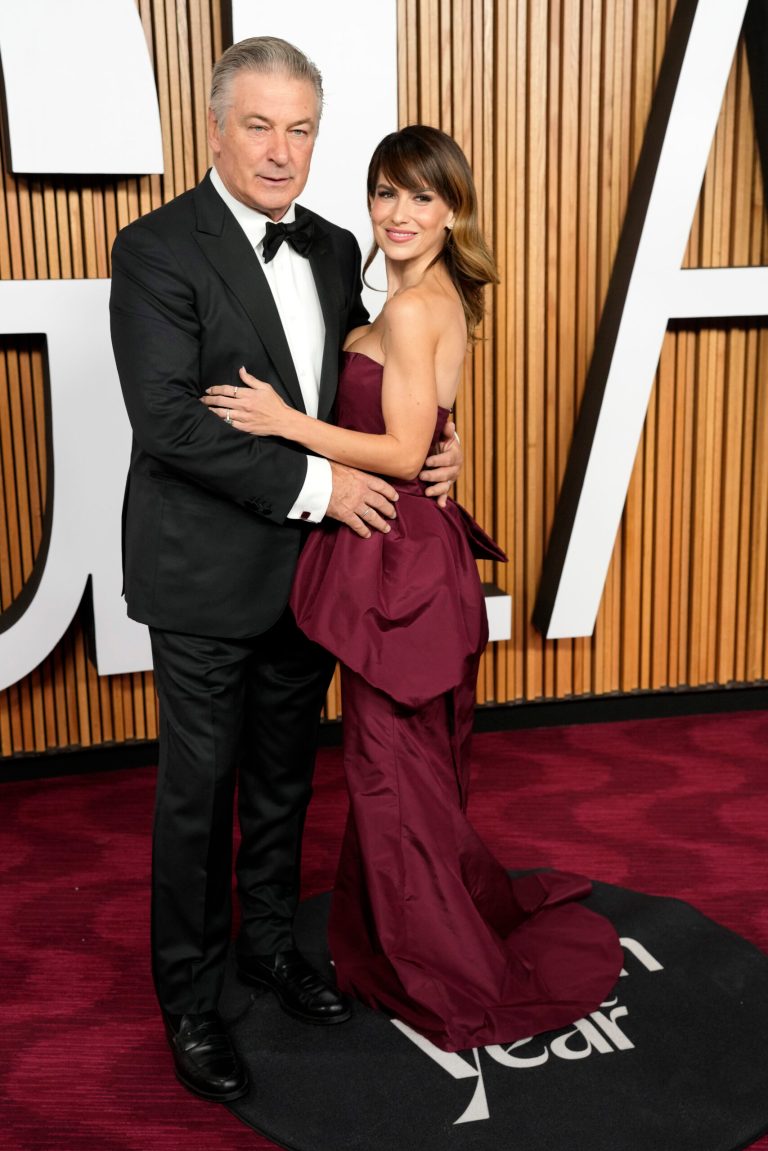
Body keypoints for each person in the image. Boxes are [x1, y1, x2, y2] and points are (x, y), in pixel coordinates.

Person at [202, 125, 624, 1052]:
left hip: (402, 565)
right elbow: (427, 433)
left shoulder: (418, 306)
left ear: (453, 211)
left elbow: (398, 453)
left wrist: (282, 421)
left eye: (422, 198)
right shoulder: (413, 298)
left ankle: (439, 962)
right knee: (406, 773)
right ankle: (411, 935)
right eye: (386, 193)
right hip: (402, 551)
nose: (398, 214)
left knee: (395, 777)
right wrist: (444, 443)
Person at [109, 40, 462, 1101]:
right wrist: (320, 489)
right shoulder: (157, 247)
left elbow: (370, 377)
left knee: (281, 780)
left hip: (313, 578)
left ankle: (268, 947)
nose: (279, 150)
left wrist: (431, 439)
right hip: (207, 572)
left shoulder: (333, 242)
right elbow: (169, 422)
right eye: (257, 125)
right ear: (214, 129)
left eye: (300, 128)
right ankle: (191, 996)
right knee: (198, 793)